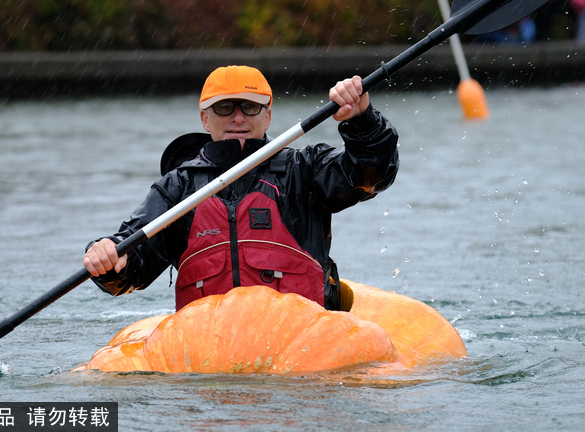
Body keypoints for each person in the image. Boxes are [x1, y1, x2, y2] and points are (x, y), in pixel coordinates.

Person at [83, 65, 400, 312]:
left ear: (268, 116)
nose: (237, 117)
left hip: (303, 340)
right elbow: (135, 260)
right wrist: (112, 260)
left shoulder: (304, 170)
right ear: (205, 119)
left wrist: (362, 120)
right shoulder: (178, 187)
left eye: (249, 107)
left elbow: (371, 173)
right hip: (212, 342)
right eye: (224, 108)